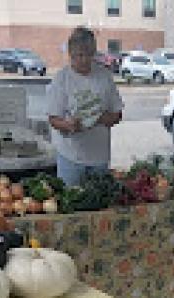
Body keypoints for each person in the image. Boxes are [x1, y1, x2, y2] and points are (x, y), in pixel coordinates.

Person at [46, 27, 124, 186]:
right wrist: (68, 125)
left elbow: (117, 113)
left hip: (99, 157)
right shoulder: (61, 79)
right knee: (71, 204)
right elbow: (53, 119)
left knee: (99, 204)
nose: (83, 60)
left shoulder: (104, 76)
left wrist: (102, 118)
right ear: (70, 55)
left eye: (88, 55)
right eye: (78, 55)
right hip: (70, 157)